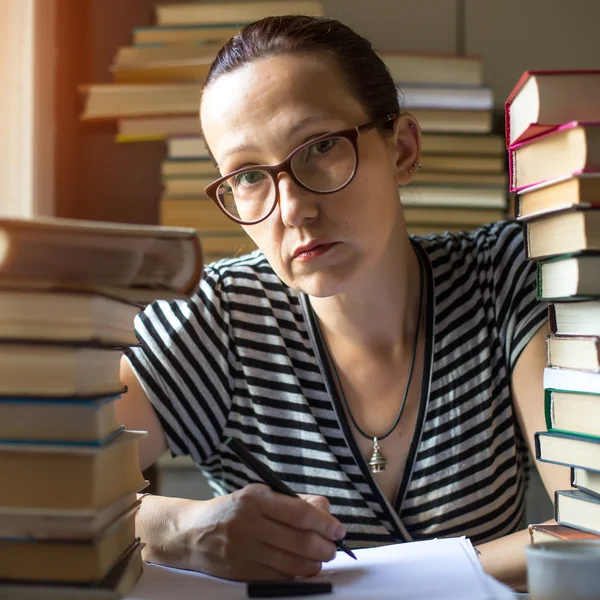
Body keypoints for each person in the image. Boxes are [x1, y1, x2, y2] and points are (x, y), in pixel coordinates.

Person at [117, 14, 569, 589]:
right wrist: (178, 528)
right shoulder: (219, 318)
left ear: (401, 148)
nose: (292, 209)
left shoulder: (502, 278)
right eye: (249, 176)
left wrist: (390, 583)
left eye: (320, 146)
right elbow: (51, 487)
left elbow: (590, 522)